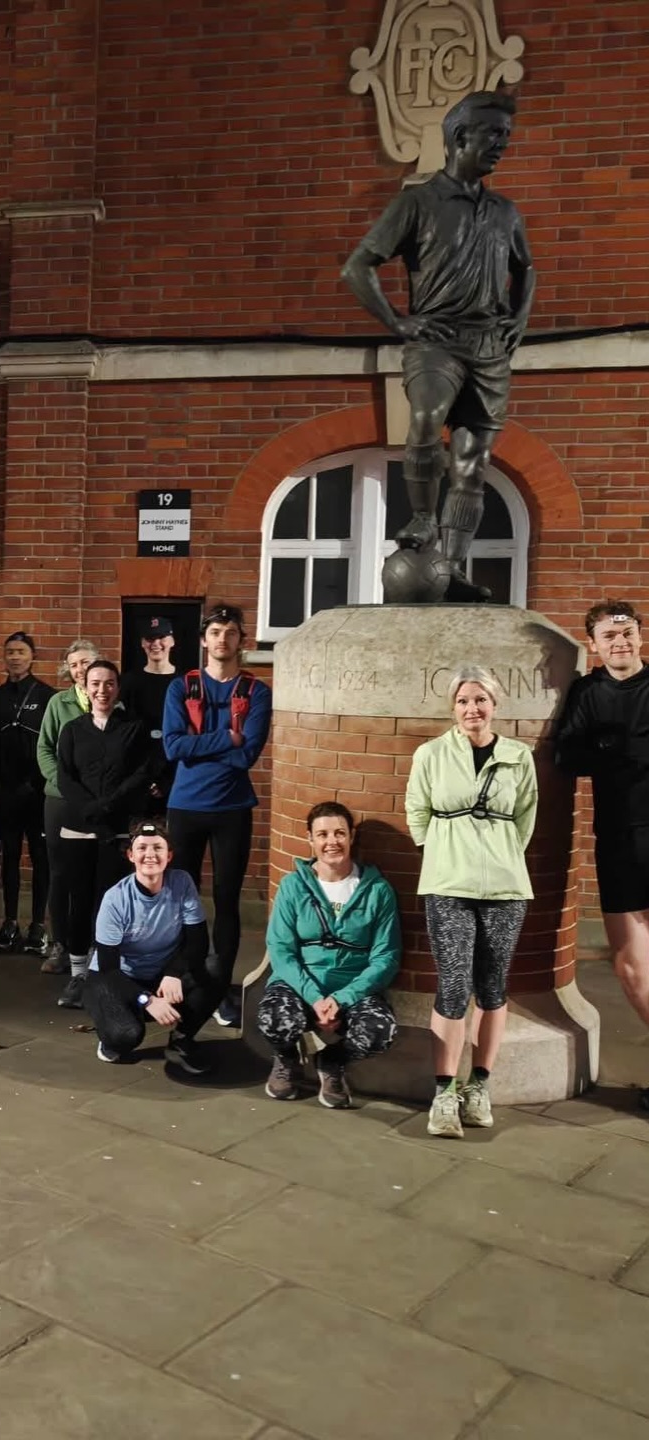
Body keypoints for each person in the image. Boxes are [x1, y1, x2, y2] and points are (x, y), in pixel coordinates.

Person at [342, 89, 534, 601]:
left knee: (473, 462)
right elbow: (358, 266)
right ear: (460, 136)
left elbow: (526, 268)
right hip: (436, 338)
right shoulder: (417, 202)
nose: (502, 144)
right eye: (493, 134)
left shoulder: (505, 211)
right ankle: (423, 517)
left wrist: (519, 318)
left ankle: (451, 569)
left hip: (489, 344)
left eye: (506, 136)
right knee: (426, 420)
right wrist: (398, 322)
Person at [407, 665, 537, 1138]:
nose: (472, 708)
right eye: (463, 700)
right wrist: (444, 851)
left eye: (480, 699)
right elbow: (417, 811)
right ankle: (444, 1093)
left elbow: (525, 816)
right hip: (448, 884)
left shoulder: (519, 756)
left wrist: (502, 856)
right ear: (453, 707)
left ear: (494, 705)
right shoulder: (431, 754)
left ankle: (478, 1086)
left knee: (493, 984)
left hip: (505, 888)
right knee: (454, 984)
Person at [553, 600, 649, 1109]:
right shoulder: (588, 694)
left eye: (627, 632)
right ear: (593, 644)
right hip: (618, 839)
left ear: (640, 636)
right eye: (609, 636)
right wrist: (609, 750)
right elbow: (566, 756)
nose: (620, 642)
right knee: (632, 968)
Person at [162, 603, 271, 1030]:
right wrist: (226, 736)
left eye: (230, 632)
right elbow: (173, 747)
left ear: (241, 639)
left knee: (227, 901)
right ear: (203, 640)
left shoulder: (256, 691)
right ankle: (189, 979)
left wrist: (203, 745)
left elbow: (248, 755)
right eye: (215, 632)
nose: (222, 639)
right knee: (182, 899)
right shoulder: (182, 687)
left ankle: (221, 989)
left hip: (232, 808)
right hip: (185, 806)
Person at [258, 802, 400, 1108]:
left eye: (339, 833)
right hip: (299, 983)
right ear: (310, 838)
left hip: (353, 986)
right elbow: (281, 950)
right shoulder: (292, 886)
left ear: (351, 837)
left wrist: (342, 999)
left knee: (379, 1032)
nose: (331, 841)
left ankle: (332, 1061)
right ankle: (286, 1058)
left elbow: (386, 957)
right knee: (274, 1019)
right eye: (322, 834)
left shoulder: (378, 890)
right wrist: (315, 998)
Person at [53, 659, 154, 1011]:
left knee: (110, 904)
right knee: (79, 903)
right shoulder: (72, 730)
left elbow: (141, 773)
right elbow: (65, 776)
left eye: (109, 683)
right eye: (95, 683)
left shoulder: (134, 729)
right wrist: (88, 807)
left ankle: (106, 975)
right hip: (78, 828)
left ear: (117, 688)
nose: (102, 690)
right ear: (84, 687)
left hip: (117, 829)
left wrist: (108, 805)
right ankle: (78, 974)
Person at [84, 820, 211, 1079]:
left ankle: (181, 1038)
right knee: (125, 1035)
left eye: (157, 848)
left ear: (169, 855)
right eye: (142, 848)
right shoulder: (115, 899)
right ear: (131, 855)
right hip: (117, 976)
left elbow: (198, 942)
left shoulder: (182, 883)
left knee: (215, 968)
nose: (150, 854)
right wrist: (147, 1000)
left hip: (161, 973)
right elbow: (109, 968)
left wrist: (174, 973)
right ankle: (115, 1024)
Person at [0, 631, 53, 954]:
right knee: (8, 856)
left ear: (32, 656)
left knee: (40, 857)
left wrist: (36, 784)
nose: (15, 657)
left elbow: (50, 746)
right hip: (5, 793)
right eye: (10, 651)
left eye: (21, 651)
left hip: (37, 794)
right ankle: (9, 921)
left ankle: (38, 925)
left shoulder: (48, 696)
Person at [35, 639, 101, 974]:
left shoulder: (113, 703)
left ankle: (94, 946)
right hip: (60, 801)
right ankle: (59, 944)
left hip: (98, 802)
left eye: (85, 662)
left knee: (96, 875)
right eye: (73, 664)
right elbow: (44, 748)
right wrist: (63, 784)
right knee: (60, 874)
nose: (79, 669)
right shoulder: (57, 703)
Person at [119, 613, 176, 817]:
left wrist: (166, 780)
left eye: (162, 637)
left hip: (173, 778)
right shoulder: (127, 682)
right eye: (150, 638)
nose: (156, 644)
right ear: (143, 643)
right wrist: (142, 778)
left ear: (172, 641)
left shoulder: (184, 682)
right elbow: (122, 735)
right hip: (136, 777)